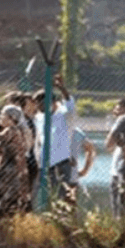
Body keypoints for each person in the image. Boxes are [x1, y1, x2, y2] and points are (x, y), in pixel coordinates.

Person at [33, 74, 76, 204]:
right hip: (44, 164)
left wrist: (62, 88)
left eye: (41, 104)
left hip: (61, 162)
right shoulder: (39, 117)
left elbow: (70, 105)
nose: (38, 108)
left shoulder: (64, 115)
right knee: (45, 197)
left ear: (50, 103)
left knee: (62, 197)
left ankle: (62, 222)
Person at [106, 97, 125, 218]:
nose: (115, 109)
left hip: (120, 170)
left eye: (118, 107)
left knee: (118, 207)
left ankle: (120, 230)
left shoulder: (121, 122)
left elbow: (108, 144)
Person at [68, 127, 97, 204]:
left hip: (71, 177)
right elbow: (90, 148)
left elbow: (90, 149)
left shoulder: (77, 132)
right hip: (68, 176)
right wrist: (85, 169)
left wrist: (85, 169)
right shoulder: (77, 132)